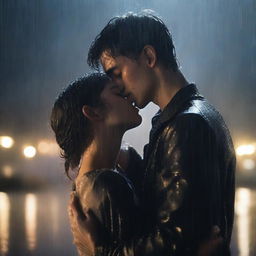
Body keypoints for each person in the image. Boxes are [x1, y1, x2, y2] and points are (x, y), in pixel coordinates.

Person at [70, 11, 236, 255]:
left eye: (116, 72)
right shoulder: (191, 115)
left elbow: (173, 240)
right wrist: (128, 160)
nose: (116, 86)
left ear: (148, 56)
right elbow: (169, 198)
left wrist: (101, 251)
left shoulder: (186, 125)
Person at [51, 73, 143, 255]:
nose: (129, 96)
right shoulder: (107, 184)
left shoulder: (93, 179)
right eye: (118, 93)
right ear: (94, 112)